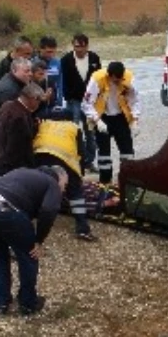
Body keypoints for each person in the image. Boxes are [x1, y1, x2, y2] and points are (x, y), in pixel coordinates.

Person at [0, 165, 68, 316]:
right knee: (29, 254)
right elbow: (49, 210)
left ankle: (1, 301)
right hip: (6, 208)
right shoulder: (52, 182)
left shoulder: (23, 172)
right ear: (59, 177)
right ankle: (28, 303)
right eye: (65, 185)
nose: (63, 190)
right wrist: (39, 240)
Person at [32, 117, 96, 241]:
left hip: (39, 155)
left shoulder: (44, 123)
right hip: (63, 158)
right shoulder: (74, 127)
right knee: (75, 192)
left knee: (39, 186)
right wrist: (79, 175)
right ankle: (82, 228)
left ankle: (33, 216)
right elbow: (81, 153)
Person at [83, 61, 141, 184]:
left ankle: (128, 179)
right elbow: (87, 103)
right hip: (103, 117)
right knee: (104, 153)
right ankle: (105, 181)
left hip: (120, 117)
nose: (118, 82)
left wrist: (135, 120)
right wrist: (97, 121)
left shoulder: (128, 78)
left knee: (127, 151)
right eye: (116, 79)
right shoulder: (97, 79)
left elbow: (135, 99)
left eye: (120, 78)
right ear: (110, 76)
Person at [61, 33, 102, 171]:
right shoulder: (66, 60)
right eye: (76, 46)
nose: (79, 50)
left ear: (87, 46)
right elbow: (63, 81)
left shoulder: (94, 58)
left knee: (91, 133)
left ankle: (89, 161)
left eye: (82, 47)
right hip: (74, 102)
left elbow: (99, 79)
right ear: (73, 45)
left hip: (90, 103)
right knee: (73, 131)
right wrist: (69, 97)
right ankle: (74, 161)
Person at [0, 83, 44, 177]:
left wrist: (34, 126)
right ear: (33, 98)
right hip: (13, 170)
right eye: (39, 101)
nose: (38, 105)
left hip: (0, 161)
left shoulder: (7, 105)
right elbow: (15, 149)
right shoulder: (19, 117)